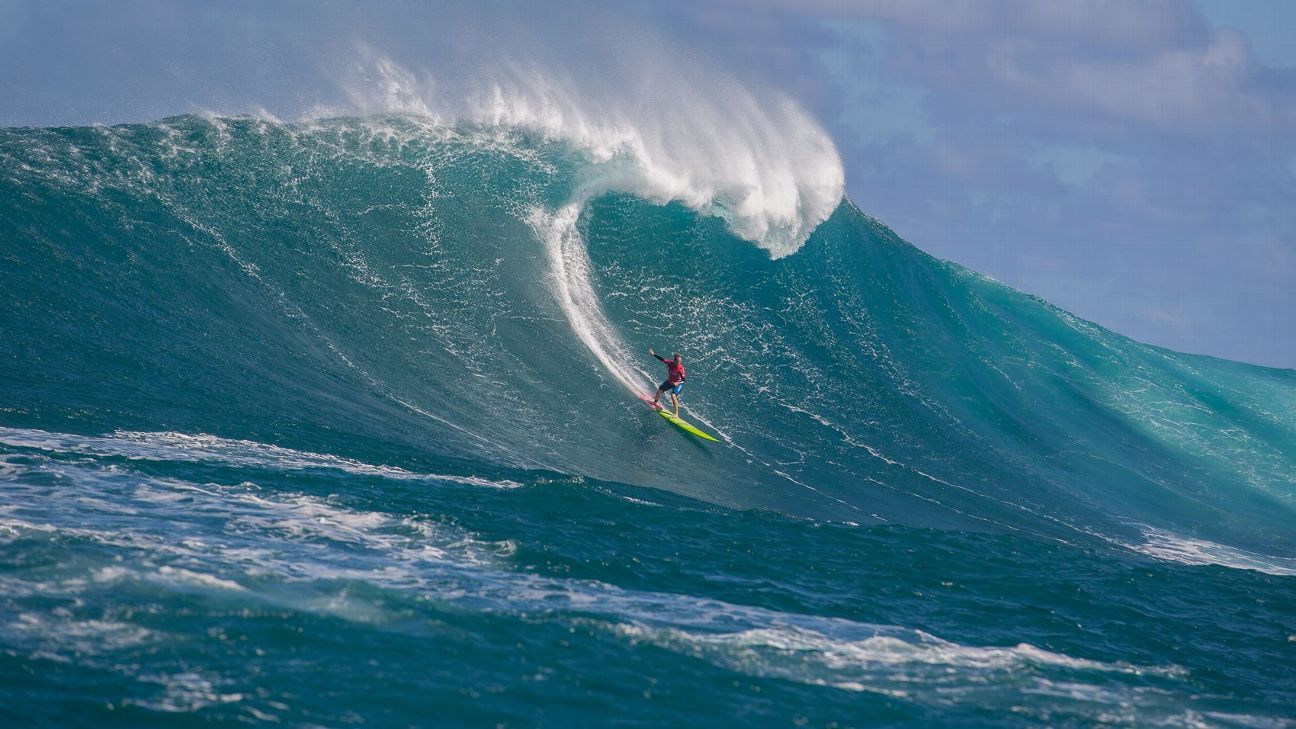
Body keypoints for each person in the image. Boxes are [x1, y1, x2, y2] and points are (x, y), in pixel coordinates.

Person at [649, 348, 686, 417]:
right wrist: (653, 354)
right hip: (670, 381)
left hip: (678, 383)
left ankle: (676, 414)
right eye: (678, 361)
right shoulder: (670, 363)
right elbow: (662, 359)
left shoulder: (681, 369)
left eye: (680, 361)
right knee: (659, 391)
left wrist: (677, 383)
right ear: (674, 360)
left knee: (673, 395)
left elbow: (683, 380)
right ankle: (655, 402)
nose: (679, 363)